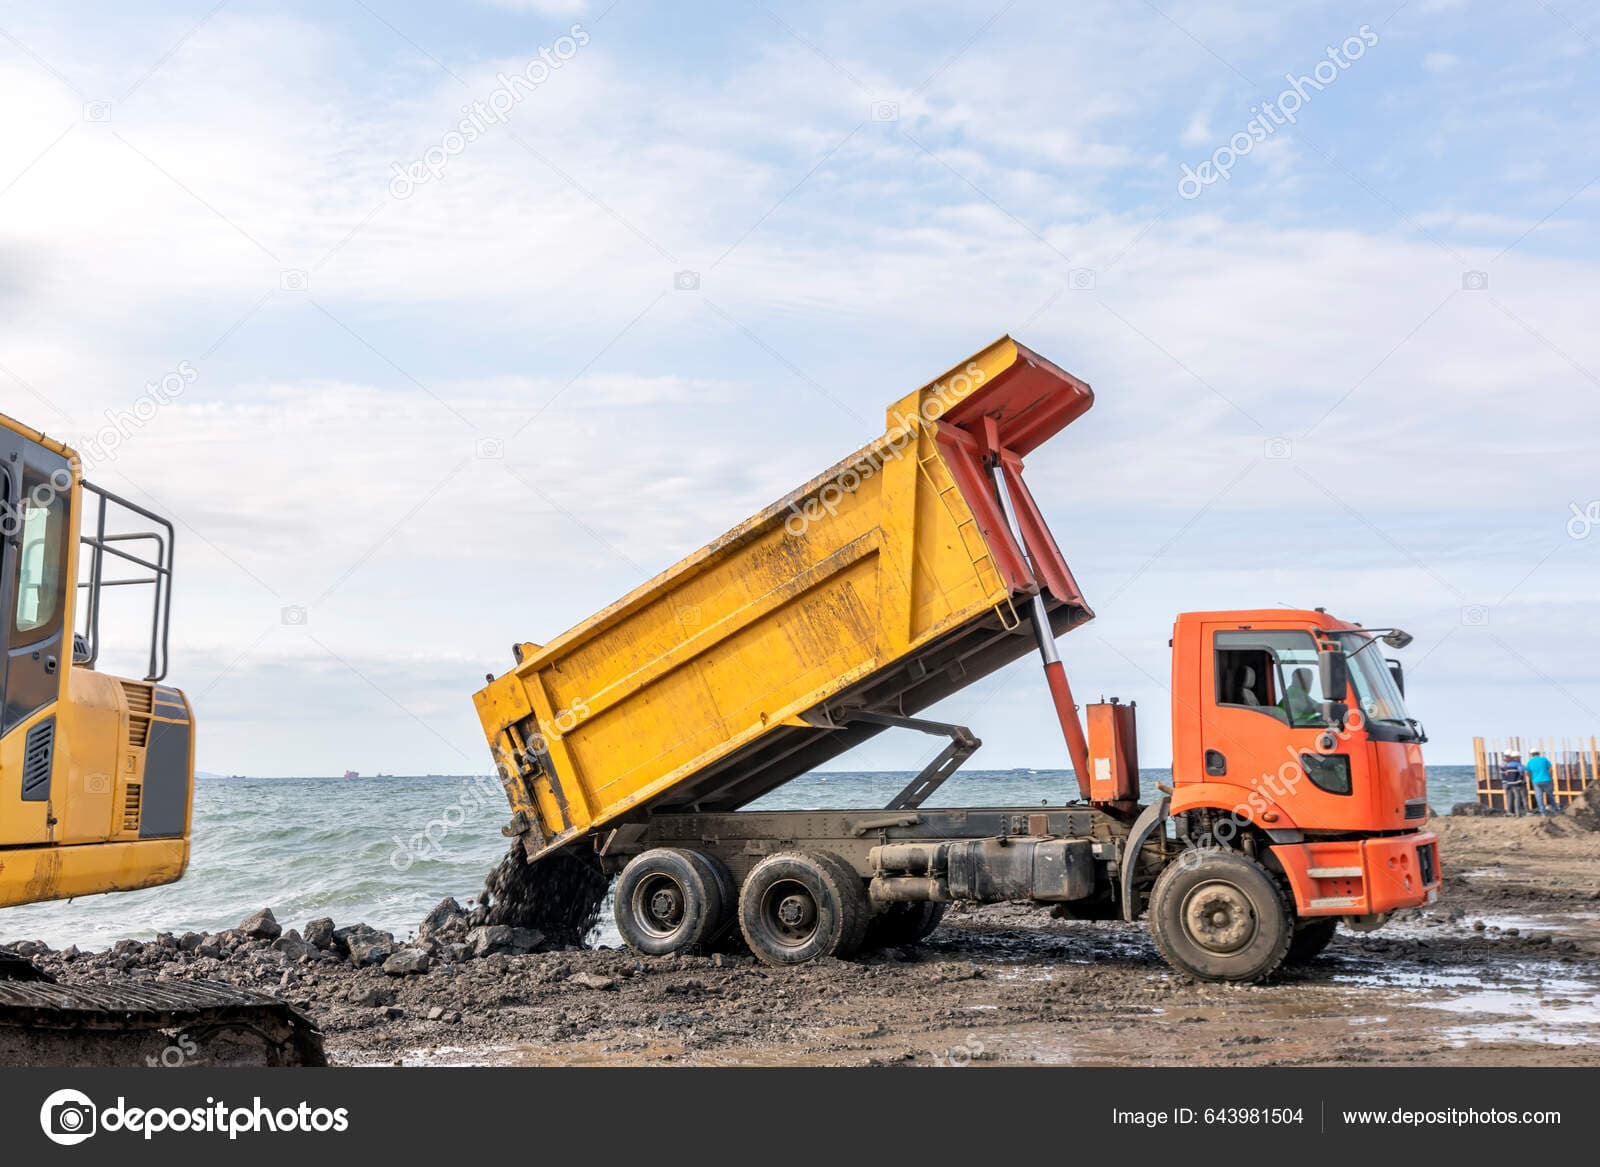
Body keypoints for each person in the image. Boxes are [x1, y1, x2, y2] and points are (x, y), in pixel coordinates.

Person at [1527, 750, 1557, 816]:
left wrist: (1532, 778)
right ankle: (1555, 810)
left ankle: (1543, 813)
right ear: (1538, 753)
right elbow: (1550, 769)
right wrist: (1550, 776)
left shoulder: (1530, 762)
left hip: (1536, 781)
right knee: (1550, 795)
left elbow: (1527, 772)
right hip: (1546, 779)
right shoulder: (1544, 759)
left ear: (1531, 754)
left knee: (1539, 797)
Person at [1501, 751, 1528, 817]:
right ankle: (1524, 812)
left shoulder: (1506, 765)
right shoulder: (1518, 764)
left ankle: (1514, 812)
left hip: (1510, 783)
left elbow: (1505, 774)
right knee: (1522, 798)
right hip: (1518, 783)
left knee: (1515, 798)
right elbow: (1522, 771)